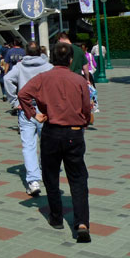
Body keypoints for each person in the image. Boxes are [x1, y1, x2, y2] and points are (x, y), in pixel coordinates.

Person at [18, 41, 92, 243]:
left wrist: (33, 113)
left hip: (51, 130)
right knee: (78, 178)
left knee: (50, 176)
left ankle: (57, 217)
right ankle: (82, 223)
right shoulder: (78, 80)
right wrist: (84, 119)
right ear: (70, 60)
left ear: (51, 59)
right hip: (74, 132)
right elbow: (86, 107)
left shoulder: (43, 78)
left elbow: (22, 94)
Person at [4, 41, 54, 197]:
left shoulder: (20, 66)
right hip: (44, 108)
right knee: (46, 142)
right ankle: (45, 172)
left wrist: (14, 101)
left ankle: (33, 181)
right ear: (40, 51)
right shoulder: (48, 67)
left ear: (26, 52)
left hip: (26, 108)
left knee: (28, 145)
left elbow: (7, 79)